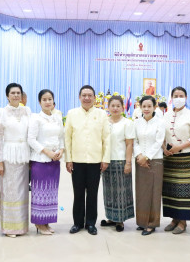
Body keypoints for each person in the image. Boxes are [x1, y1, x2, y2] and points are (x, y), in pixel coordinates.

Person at [65, 85, 110, 235]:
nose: (87, 98)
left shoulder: (102, 114)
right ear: (79, 97)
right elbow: (67, 138)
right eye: (84, 95)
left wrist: (105, 159)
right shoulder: (72, 114)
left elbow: (106, 138)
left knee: (92, 193)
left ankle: (91, 223)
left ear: (94, 98)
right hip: (77, 160)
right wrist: (68, 159)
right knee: (78, 193)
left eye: (90, 95)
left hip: (95, 161)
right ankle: (77, 223)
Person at [162, 86, 190, 234]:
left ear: (186, 97)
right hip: (169, 157)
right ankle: (173, 219)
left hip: (185, 157)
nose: (178, 98)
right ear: (171, 98)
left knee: (183, 190)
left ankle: (182, 221)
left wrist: (180, 147)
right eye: (175, 95)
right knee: (170, 189)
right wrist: (164, 148)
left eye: (181, 95)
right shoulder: (166, 114)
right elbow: (162, 134)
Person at [0, 83, 31, 237]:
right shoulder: (2, 112)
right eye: (13, 93)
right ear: (7, 95)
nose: (16, 95)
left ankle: (22, 227)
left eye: (18, 93)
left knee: (22, 192)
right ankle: (9, 228)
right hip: (9, 155)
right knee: (10, 191)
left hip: (23, 156)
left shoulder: (27, 111)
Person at [28, 89, 64, 235]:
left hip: (54, 161)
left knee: (51, 192)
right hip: (40, 160)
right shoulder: (36, 118)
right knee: (40, 192)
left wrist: (61, 150)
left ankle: (46, 221)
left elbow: (61, 136)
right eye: (44, 99)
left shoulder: (57, 118)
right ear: (39, 102)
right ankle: (38, 222)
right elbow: (31, 139)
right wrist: (47, 151)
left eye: (50, 99)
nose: (47, 102)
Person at [101, 96, 135, 232]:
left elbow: (129, 144)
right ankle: (111, 217)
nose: (115, 108)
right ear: (108, 107)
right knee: (108, 190)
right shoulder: (104, 122)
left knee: (121, 191)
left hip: (121, 160)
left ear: (123, 108)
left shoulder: (127, 123)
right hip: (106, 161)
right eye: (112, 105)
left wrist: (128, 163)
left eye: (118, 106)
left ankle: (120, 219)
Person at [134, 96, 165, 236]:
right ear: (140, 107)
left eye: (149, 106)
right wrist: (139, 155)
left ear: (154, 107)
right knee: (141, 192)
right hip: (140, 160)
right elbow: (134, 140)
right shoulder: (136, 122)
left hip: (155, 160)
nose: (146, 109)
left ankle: (151, 223)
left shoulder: (159, 122)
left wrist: (147, 156)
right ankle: (142, 221)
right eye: (144, 106)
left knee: (154, 192)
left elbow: (159, 142)